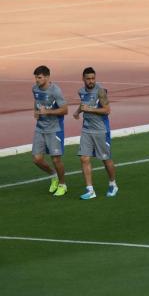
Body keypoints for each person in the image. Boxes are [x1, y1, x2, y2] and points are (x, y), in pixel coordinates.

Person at [73, 67, 118, 200]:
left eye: (93, 78)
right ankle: (90, 189)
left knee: (105, 159)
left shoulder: (100, 91)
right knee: (84, 158)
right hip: (86, 129)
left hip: (101, 130)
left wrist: (90, 109)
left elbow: (107, 110)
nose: (91, 81)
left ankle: (113, 184)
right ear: (83, 79)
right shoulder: (81, 91)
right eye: (88, 79)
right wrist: (77, 112)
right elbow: (83, 104)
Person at [32, 65, 68, 196]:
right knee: (36, 159)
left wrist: (47, 111)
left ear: (47, 77)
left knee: (56, 160)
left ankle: (63, 184)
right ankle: (54, 175)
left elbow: (65, 110)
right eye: (36, 77)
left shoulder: (55, 91)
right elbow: (36, 101)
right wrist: (35, 111)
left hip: (54, 129)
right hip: (40, 128)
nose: (37, 80)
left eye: (39, 77)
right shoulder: (35, 88)